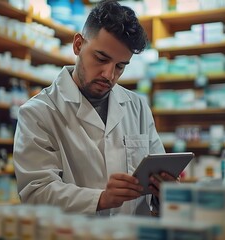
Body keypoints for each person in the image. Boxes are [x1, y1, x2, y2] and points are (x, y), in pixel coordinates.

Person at [13, 0, 178, 216]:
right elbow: (36, 193)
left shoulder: (137, 107)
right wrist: (100, 199)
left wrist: (165, 192)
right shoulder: (38, 112)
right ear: (78, 45)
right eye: (101, 59)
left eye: (120, 66)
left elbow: (156, 179)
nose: (109, 75)